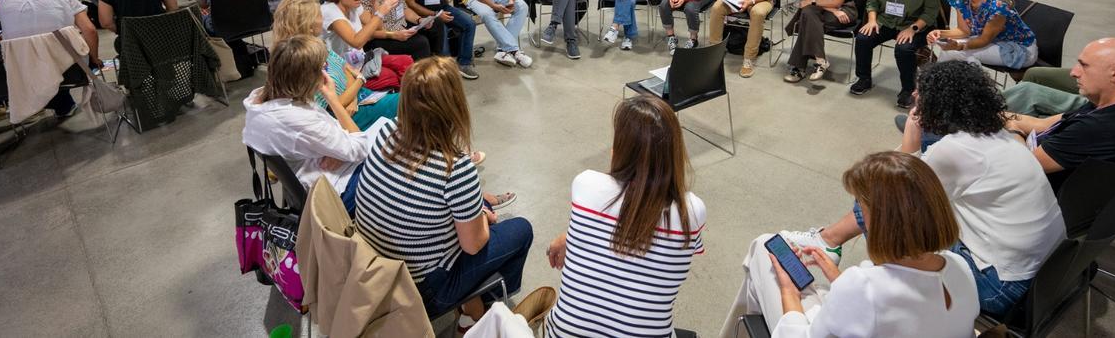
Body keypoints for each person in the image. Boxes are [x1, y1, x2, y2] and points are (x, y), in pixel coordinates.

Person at [784, 63, 1064, 319]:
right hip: (1042, 273)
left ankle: (849, 260)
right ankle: (829, 240)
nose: (915, 93)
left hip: (998, 286)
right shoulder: (999, 135)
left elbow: (891, 185)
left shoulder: (958, 150)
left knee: (881, 200)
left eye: (923, 90)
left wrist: (911, 137)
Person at [722, 151, 978, 338]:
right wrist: (838, 279)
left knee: (764, 248)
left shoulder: (863, 287)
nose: (858, 217)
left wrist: (788, 291)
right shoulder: (959, 267)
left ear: (883, 222)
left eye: (861, 208)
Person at [355, 57, 533, 325]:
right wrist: (484, 220)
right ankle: (483, 304)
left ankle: (471, 305)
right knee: (521, 230)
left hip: (375, 267)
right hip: (422, 289)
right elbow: (473, 245)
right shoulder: (455, 168)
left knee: (481, 211)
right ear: (454, 105)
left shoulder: (386, 132)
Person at [546, 96, 705, 336]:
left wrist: (566, 238)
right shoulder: (691, 212)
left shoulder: (585, 184)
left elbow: (614, 226)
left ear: (619, 149)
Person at [242, 35, 389, 214]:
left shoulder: (259, 103)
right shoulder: (297, 118)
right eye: (323, 66)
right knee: (395, 155)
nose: (326, 71)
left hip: (314, 176)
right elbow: (359, 148)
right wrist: (333, 100)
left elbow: (337, 140)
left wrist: (337, 150)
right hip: (333, 193)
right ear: (309, 77)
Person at [1003, 38, 1115, 192]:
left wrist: (1014, 130)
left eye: (1084, 65)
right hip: (1045, 179)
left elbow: (1024, 167)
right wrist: (992, 115)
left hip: (1034, 194)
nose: (1074, 72)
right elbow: (1042, 125)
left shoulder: (1101, 128)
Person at [271, 0, 399, 132]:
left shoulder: (317, 43)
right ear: (308, 25)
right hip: (346, 116)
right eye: (319, 15)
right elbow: (333, 105)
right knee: (412, 100)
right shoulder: (301, 60)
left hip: (357, 98)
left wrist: (354, 95)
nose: (323, 19)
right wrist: (360, 80)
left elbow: (345, 68)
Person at [0, 0, 101, 118]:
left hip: (23, 72)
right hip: (71, 70)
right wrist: (94, 58)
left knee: (41, 59)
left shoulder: (3, 3)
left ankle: (61, 105)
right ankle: (63, 103)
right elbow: (90, 30)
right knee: (57, 55)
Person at [850, 0, 939, 107]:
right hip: (886, 21)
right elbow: (872, 0)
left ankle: (907, 89)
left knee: (904, 48)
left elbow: (930, 12)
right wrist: (872, 20)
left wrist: (912, 29)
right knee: (863, 39)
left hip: (916, 24)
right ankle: (864, 78)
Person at [928, 0, 1037, 69]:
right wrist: (939, 33)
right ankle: (945, 83)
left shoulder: (997, 7)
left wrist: (959, 46)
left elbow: (984, 40)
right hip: (993, 42)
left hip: (1018, 49)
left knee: (954, 53)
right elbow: (964, 31)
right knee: (951, 51)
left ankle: (940, 83)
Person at [318, 0, 394, 54]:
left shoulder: (353, 5)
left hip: (357, 62)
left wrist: (374, 1)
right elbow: (357, 42)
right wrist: (381, 12)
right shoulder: (329, 11)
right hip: (340, 66)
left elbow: (377, 27)